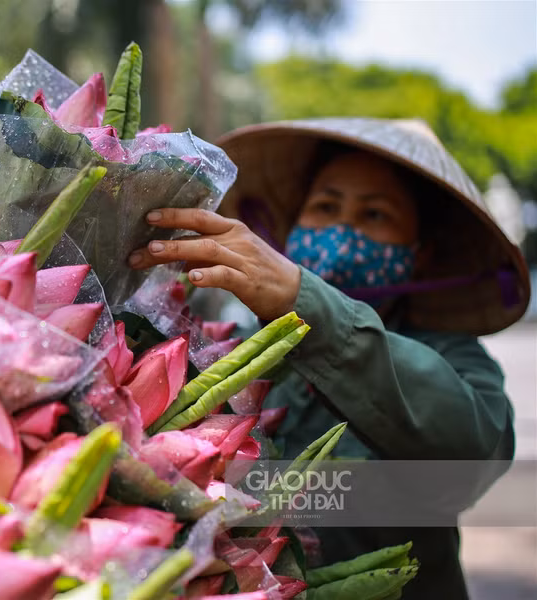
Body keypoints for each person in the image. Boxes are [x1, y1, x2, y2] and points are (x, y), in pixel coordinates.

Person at [127, 117, 531, 599]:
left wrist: (306, 301)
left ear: (419, 254)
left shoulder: (451, 356)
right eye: (325, 206)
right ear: (292, 227)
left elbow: (470, 457)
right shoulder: (222, 351)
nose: (343, 231)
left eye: (375, 215)